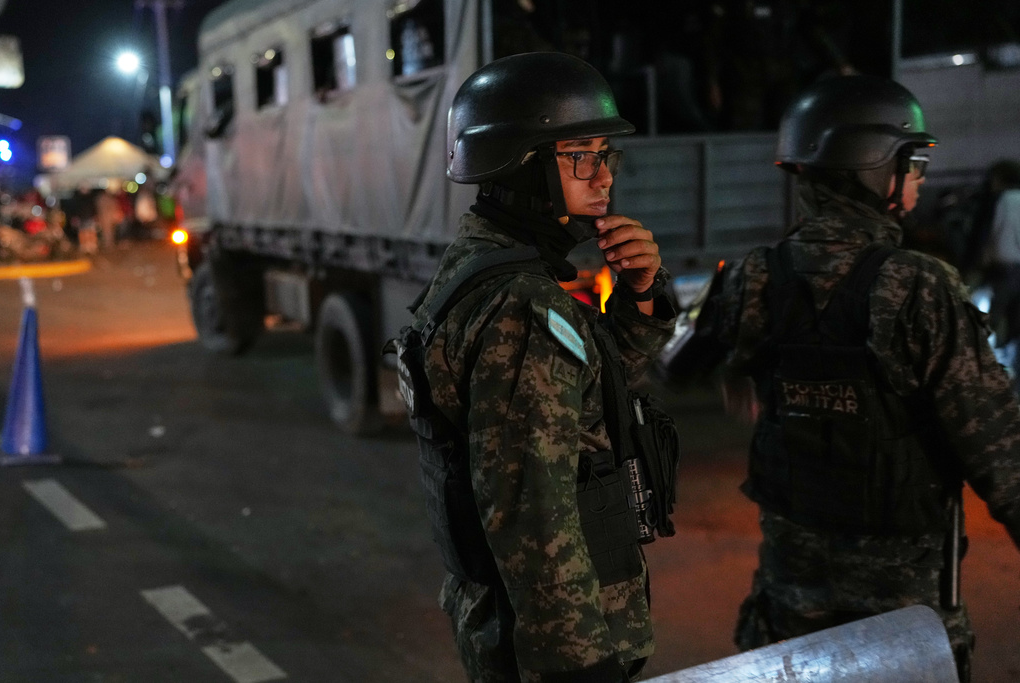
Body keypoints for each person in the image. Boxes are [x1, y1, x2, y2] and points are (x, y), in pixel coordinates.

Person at [665, 75, 1020, 683]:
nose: (921, 177)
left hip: (791, 600)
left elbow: (683, 362)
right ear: (874, 168)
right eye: (914, 162)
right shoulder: (918, 286)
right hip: (901, 614)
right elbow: (997, 448)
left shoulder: (755, 274)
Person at [389, 52, 679, 682]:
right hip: (555, 647)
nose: (604, 177)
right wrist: (580, 668)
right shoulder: (521, 304)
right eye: (582, 156)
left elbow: (580, 402)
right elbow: (533, 512)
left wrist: (642, 293)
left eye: (606, 155)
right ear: (523, 165)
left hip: (516, 626)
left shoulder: (483, 261)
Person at [976, 159, 1020, 385]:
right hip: (1011, 268)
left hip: (1007, 268)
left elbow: (994, 233)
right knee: (1013, 321)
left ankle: (985, 366)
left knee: (991, 318)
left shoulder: (1005, 200)